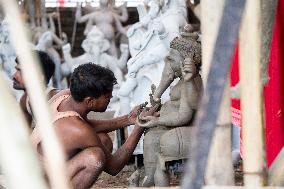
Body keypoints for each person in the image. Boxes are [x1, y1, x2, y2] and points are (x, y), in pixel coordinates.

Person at [31, 63, 145, 189]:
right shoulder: (79, 129)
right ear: (89, 101)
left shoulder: (64, 96)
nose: (111, 97)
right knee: (94, 158)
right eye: (107, 96)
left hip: (36, 170)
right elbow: (114, 167)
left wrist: (128, 119)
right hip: (37, 183)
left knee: (102, 140)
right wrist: (139, 127)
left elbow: (85, 126)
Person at [12, 50, 57, 126]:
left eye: (21, 71)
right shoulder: (25, 100)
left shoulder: (56, 100)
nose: (14, 76)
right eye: (16, 70)